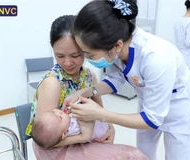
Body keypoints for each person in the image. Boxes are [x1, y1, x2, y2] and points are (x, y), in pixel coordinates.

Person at [62, 0, 190, 160]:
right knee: (143, 154)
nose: (87, 59)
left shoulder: (157, 58)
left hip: (178, 108)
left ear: (117, 46)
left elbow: (152, 119)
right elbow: (114, 80)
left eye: (90, 55)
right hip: (148, 103)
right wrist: (86, 91)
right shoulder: (115, 47)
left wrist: (102, 114)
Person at [26, 15, 148, 160]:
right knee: (132, 155)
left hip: (82, 137)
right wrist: (83, 137)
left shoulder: (89, 76)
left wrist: (110, 128)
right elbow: (45, 141)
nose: (67, 62)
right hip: (56, 146)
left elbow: (100, 112)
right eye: (59, 55)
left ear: (85, 49)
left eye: (75, 55)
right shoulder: (53, 83)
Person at [31, 108, 109, 148]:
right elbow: (88, 119)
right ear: (65, 133)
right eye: (60, 118)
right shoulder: (74, 128)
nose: (59, 111)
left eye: (53, 112)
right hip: (101, 132)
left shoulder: (62, 126)